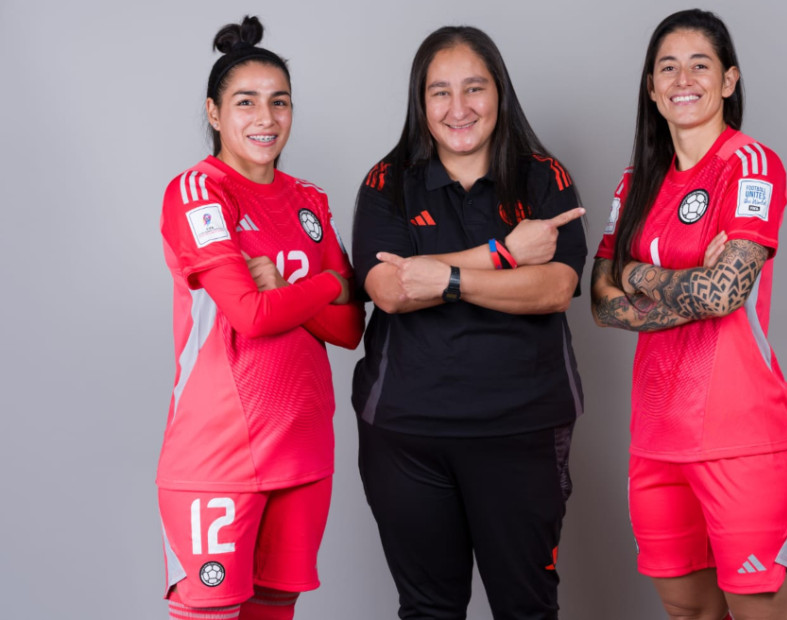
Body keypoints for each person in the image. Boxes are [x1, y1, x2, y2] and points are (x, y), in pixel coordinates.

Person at [351, 25, 587, 620]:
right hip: (408, 437)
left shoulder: (543, 177)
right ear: (420, 101)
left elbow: (556, 287)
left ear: (499, 94)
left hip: (522, 429)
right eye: (440, 92)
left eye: (474, 88)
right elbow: (390, 289)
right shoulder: (387, 182)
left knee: (527, 609)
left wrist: (446, 280)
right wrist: (503, 256)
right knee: (428, 610)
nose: (459, 109)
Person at [590, 9, 787, 620]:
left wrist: (635, 275)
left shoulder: (750, 165)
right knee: (687, 612)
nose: (683, 78)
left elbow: (722, 294)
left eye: (700, 64)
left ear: (729, 81)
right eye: (668, 67)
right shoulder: (634, 184)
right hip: (656, 443)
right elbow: (599, 302)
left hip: (743, 442)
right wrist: (672, 282)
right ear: (653, 88)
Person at [156, 15, 364, 620]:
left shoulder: (308, 201)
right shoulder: (198, 192)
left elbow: (350, 331)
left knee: (276, 610)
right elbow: (249, 314)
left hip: (303, 451)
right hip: (217, 456)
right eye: (245, 103)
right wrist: (328, 283)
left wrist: (292, 289)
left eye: (280, 103)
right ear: (215, 113)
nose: (265, 119)